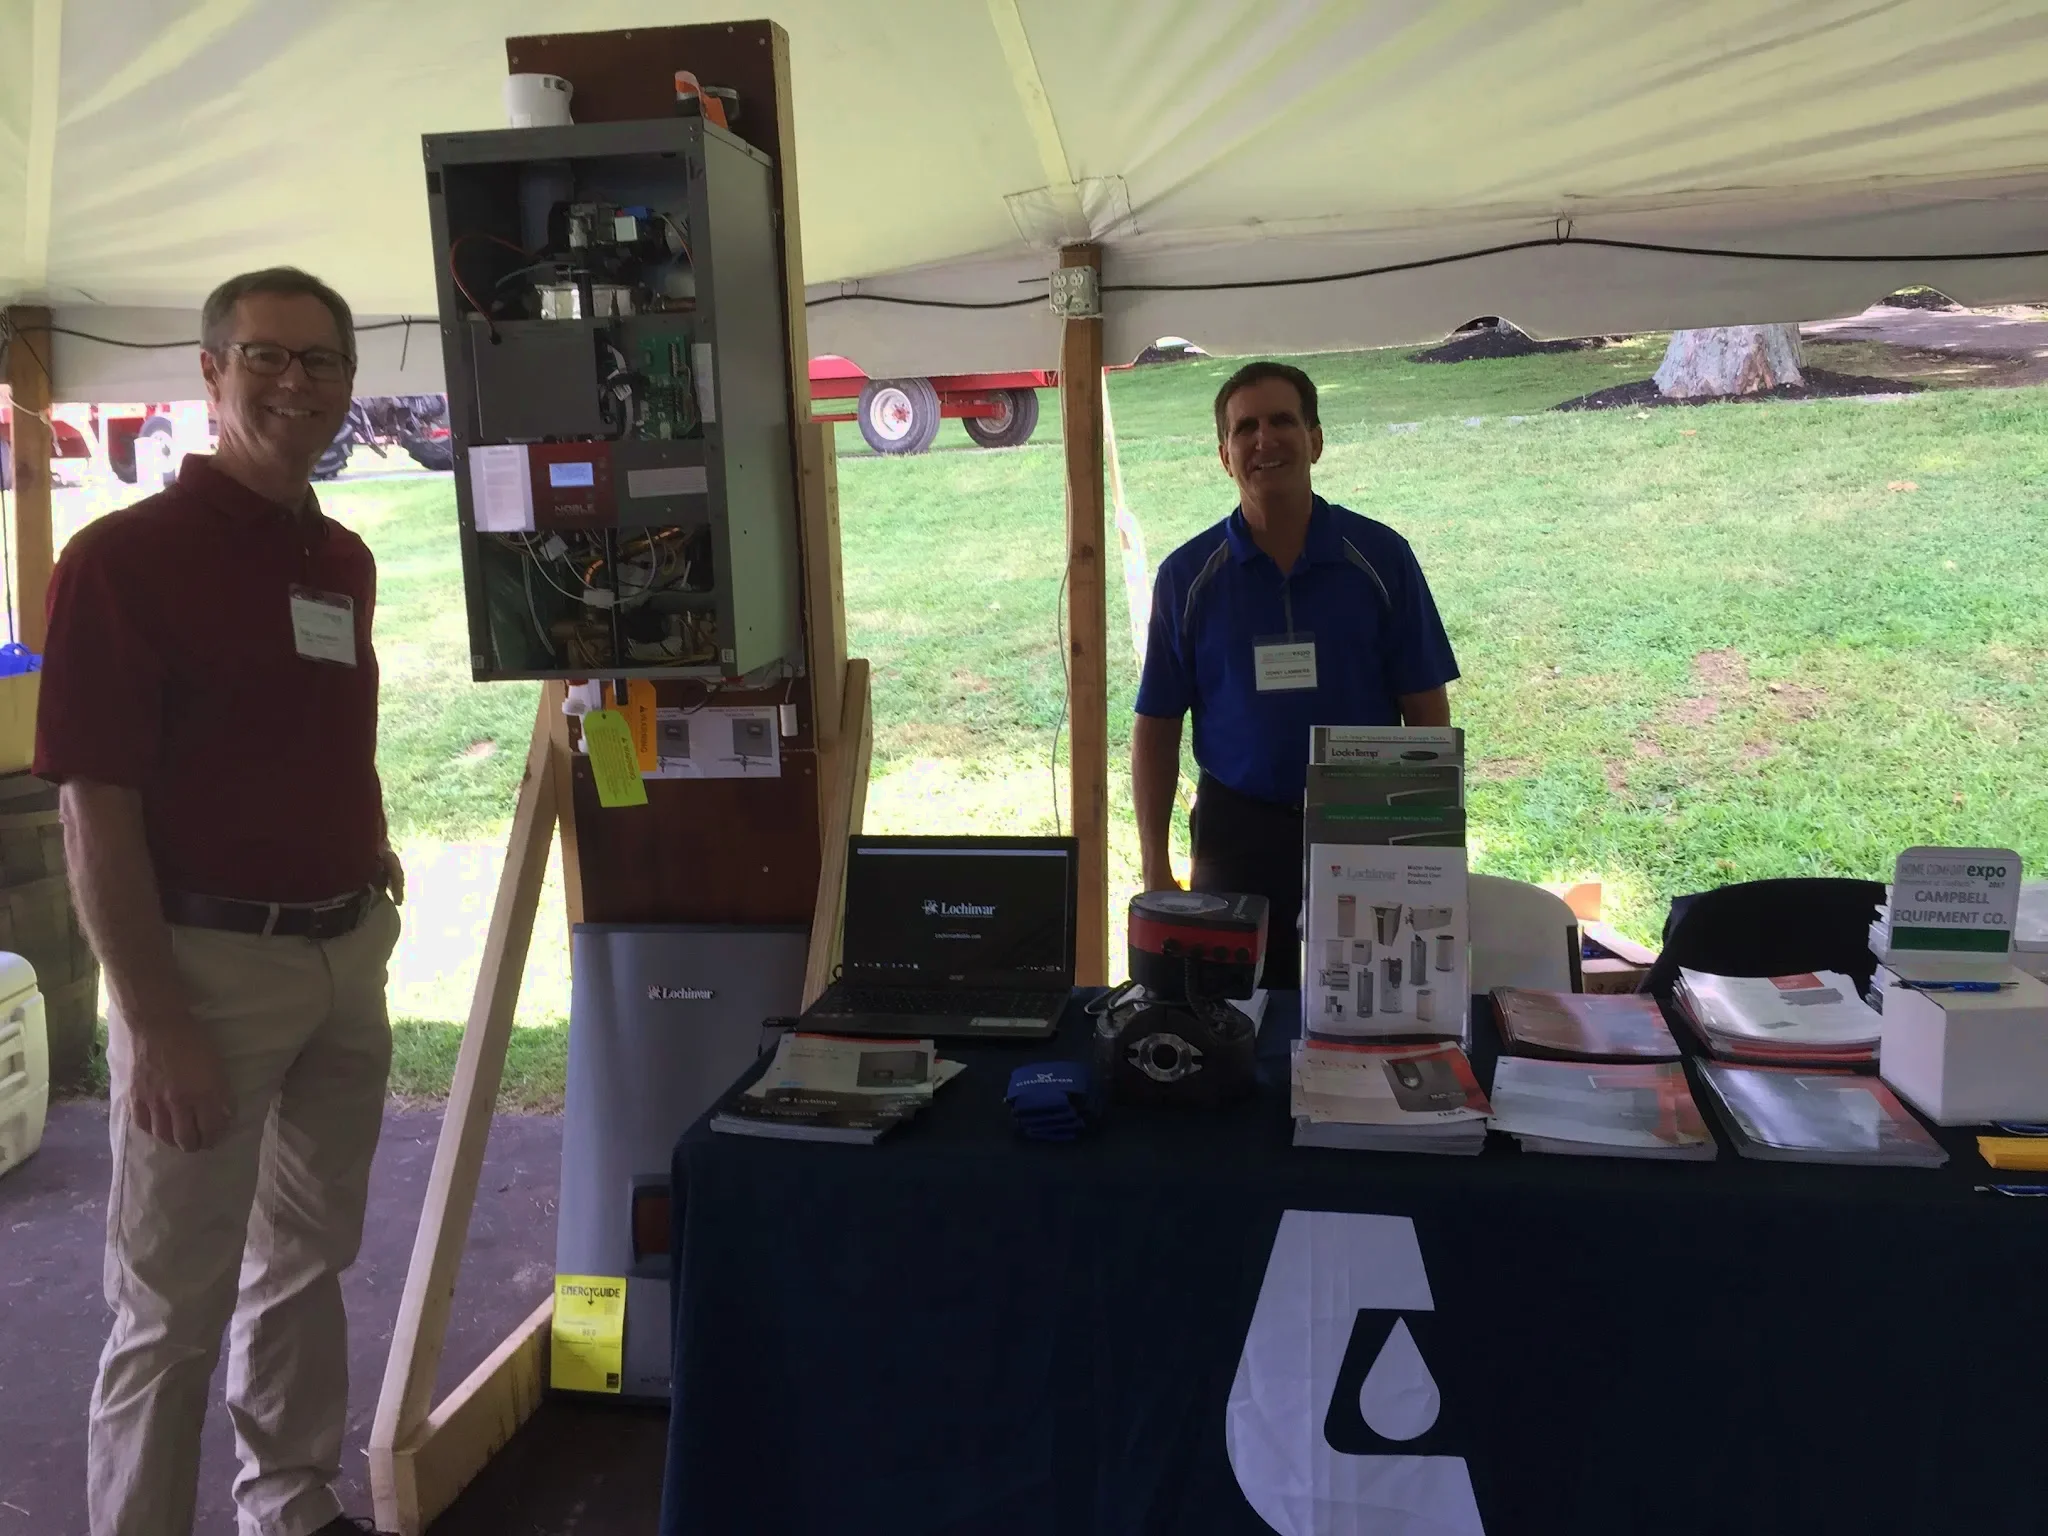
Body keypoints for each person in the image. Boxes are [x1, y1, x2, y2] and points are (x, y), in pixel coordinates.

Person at [35, 267, 404, 1536]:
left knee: (305, 1259)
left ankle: (288, 1501)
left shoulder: (339, 558)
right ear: (210, 372)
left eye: (322, 361)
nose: (296, 383)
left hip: (343, 954)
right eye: (267, 357)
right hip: (203, 971)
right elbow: (93, 805)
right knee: (169, 1306)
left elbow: (317, 730)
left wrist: (371, 852)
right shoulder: (121, 562)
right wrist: (157, 1023)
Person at [1131, 361, 1458, 990]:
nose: (1264, 440)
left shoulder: (1380, 556)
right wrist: (1155, 866)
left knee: (1371, 998)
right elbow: (1157, 725)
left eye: (1282, 421)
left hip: (1366, 824)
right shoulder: (1187, 577)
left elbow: (1425, 706)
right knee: (1233, 1009)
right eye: (1244, 428)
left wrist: (1428, 845)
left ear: (1315, 439)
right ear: (1225, 456)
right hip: (1237, 833)